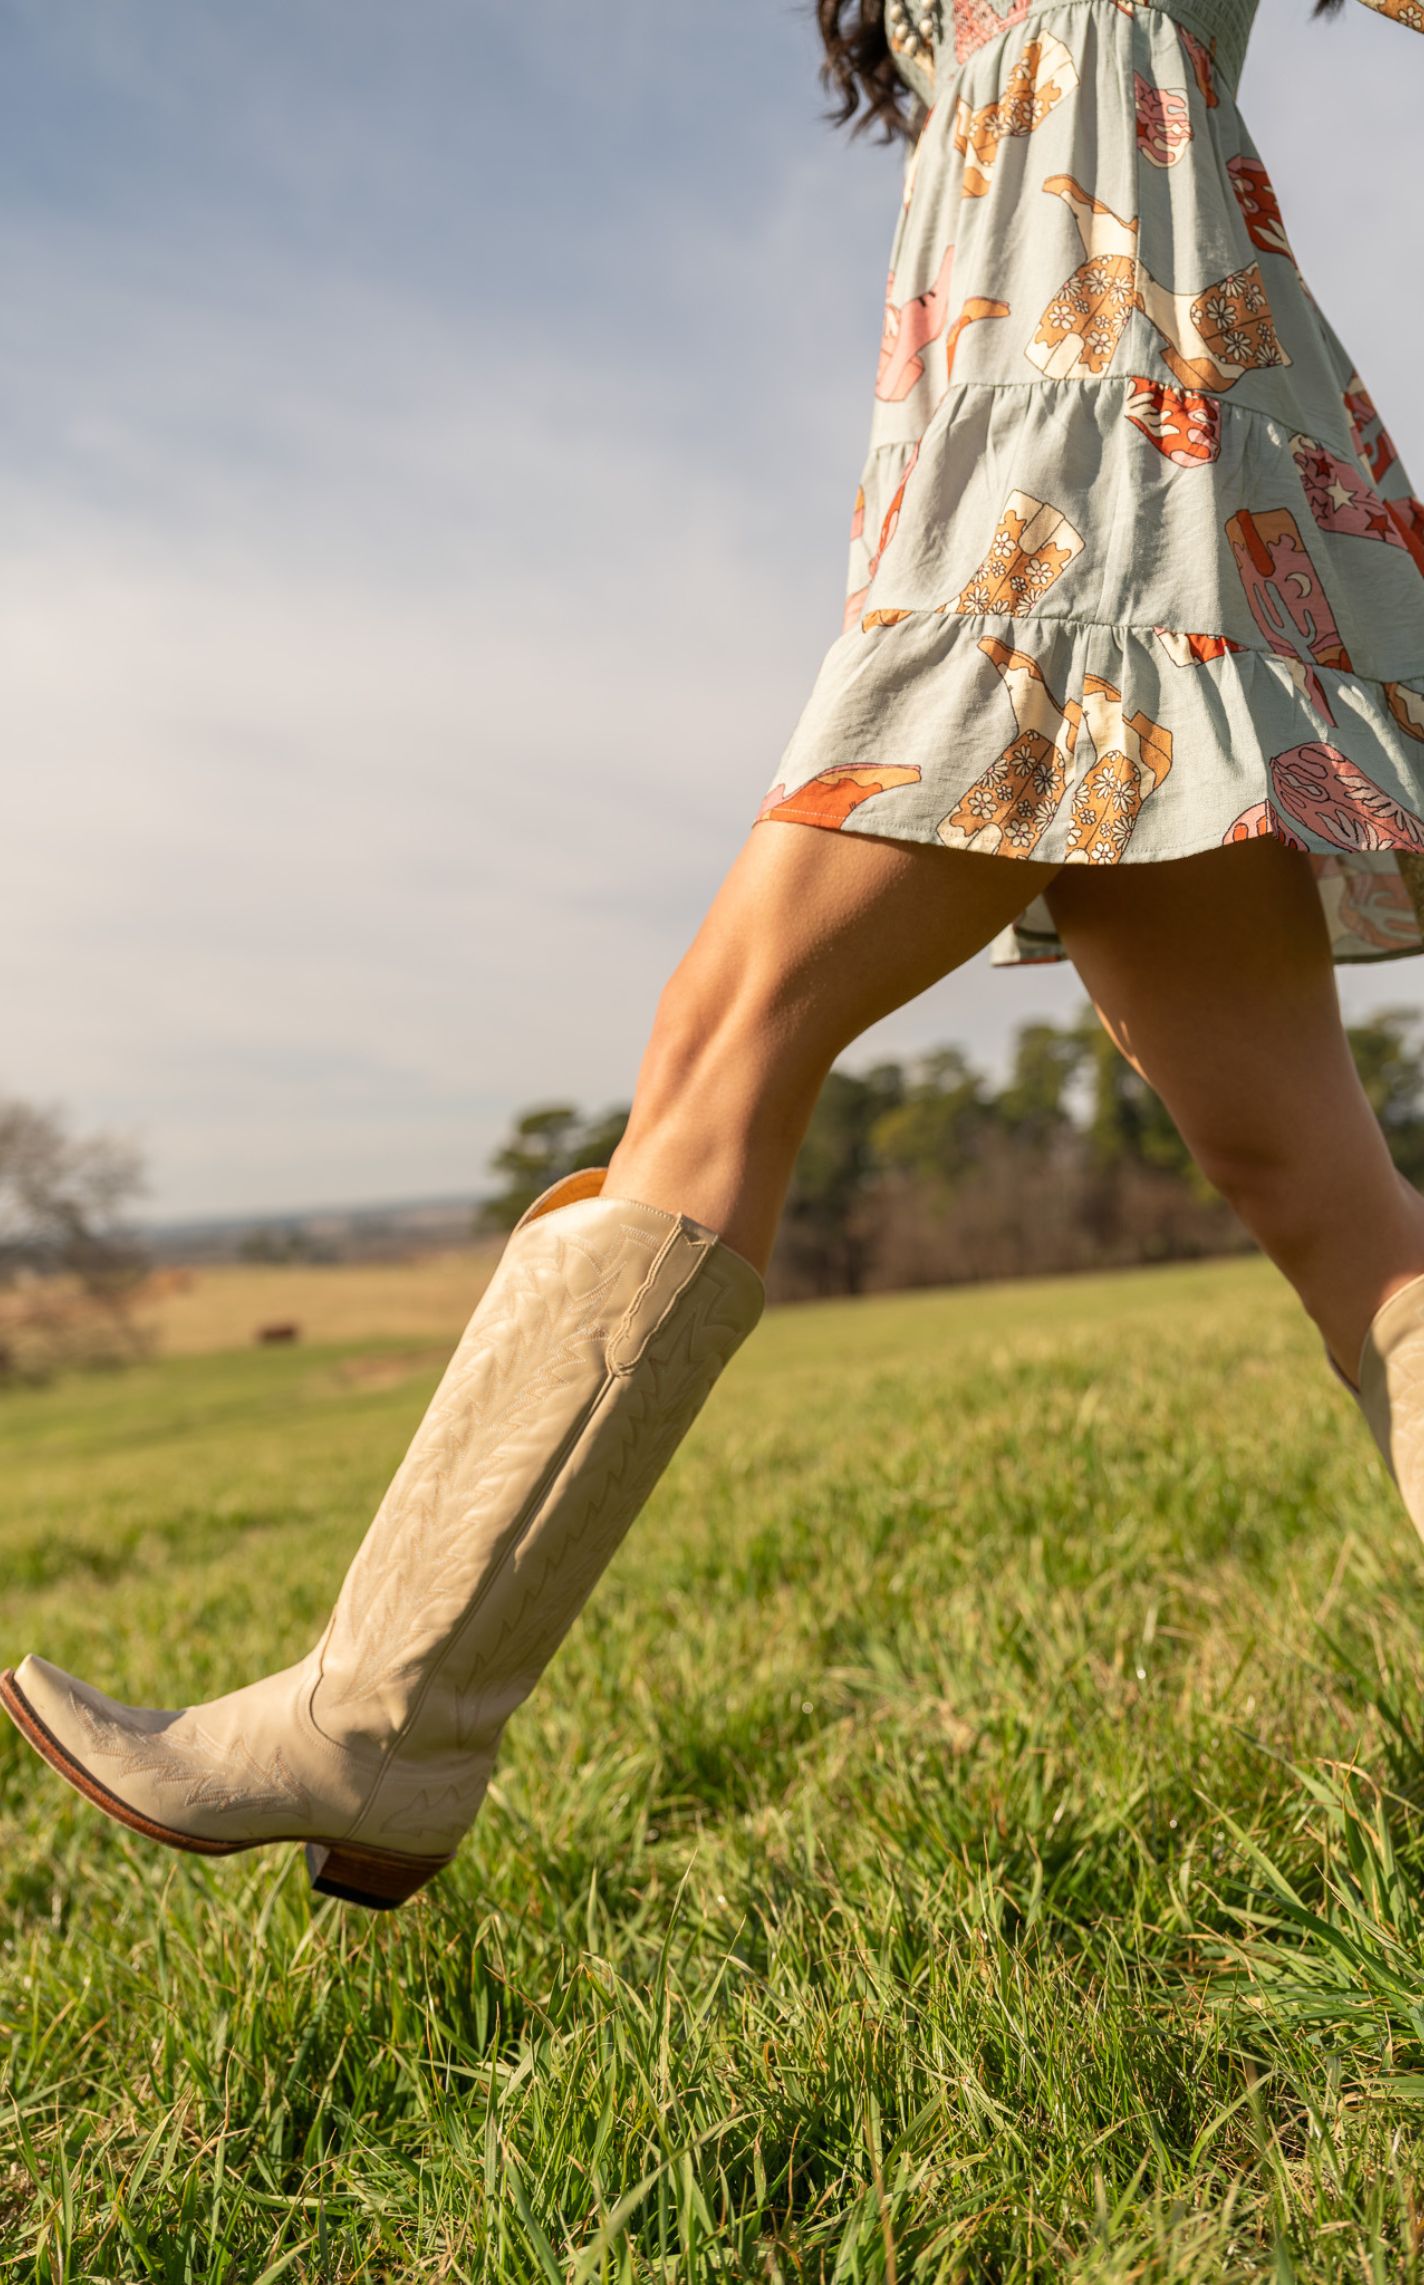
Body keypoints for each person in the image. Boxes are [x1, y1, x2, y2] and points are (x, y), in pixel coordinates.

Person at [6, 0, 1424, 1912]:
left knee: (730, 1028)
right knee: (1323, 1190)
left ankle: (383, 1716)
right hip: (1080, 481)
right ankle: (387, 1722)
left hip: (1081, 483)